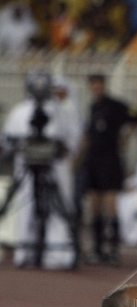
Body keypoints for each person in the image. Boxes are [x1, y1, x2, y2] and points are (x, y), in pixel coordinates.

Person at [1, 72, 79, 269]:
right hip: (26, 166)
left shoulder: (60, 112)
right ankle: (25, 251)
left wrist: (59, 148)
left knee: (57, 209)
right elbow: (8, 141)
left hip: (55, 169)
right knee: (25, 207)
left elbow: (72, 141)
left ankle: (59, 254)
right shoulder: (20, 111)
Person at [76, 74, 137, 266]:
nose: (96, 89)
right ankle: (97, 249)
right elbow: (89, 134)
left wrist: (126, 137)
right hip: (93, 159)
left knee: (111, 203)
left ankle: (113, 249)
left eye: (99, 86)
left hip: (110, 159)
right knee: (94, 204)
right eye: (93, 86)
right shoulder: (93, 107)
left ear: (104, 86)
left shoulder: (116, 105)